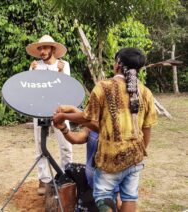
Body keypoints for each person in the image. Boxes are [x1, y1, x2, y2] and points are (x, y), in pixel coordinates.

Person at [53, 48, 157, 211]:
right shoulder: (146, 93)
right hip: (135, 157)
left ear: (117, 65)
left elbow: (87, 118)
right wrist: (136, 152)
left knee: (103, 196)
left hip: (110, 159)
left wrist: (64, 117)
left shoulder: (103, 87)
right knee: (129, 197)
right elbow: (147, 130)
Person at [26, 34, 73, 195]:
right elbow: (29, 88)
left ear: (53, 49)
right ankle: (43, 180)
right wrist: (31, 72)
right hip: (39, 109)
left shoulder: (63, 65)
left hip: (60, 110)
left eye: (45, 47)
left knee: (66, 144)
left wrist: (61, 73)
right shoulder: (35, 66)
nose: (42, 51)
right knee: (40, 144)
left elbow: (67, 88)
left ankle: (67, 177)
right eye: (40, 48)